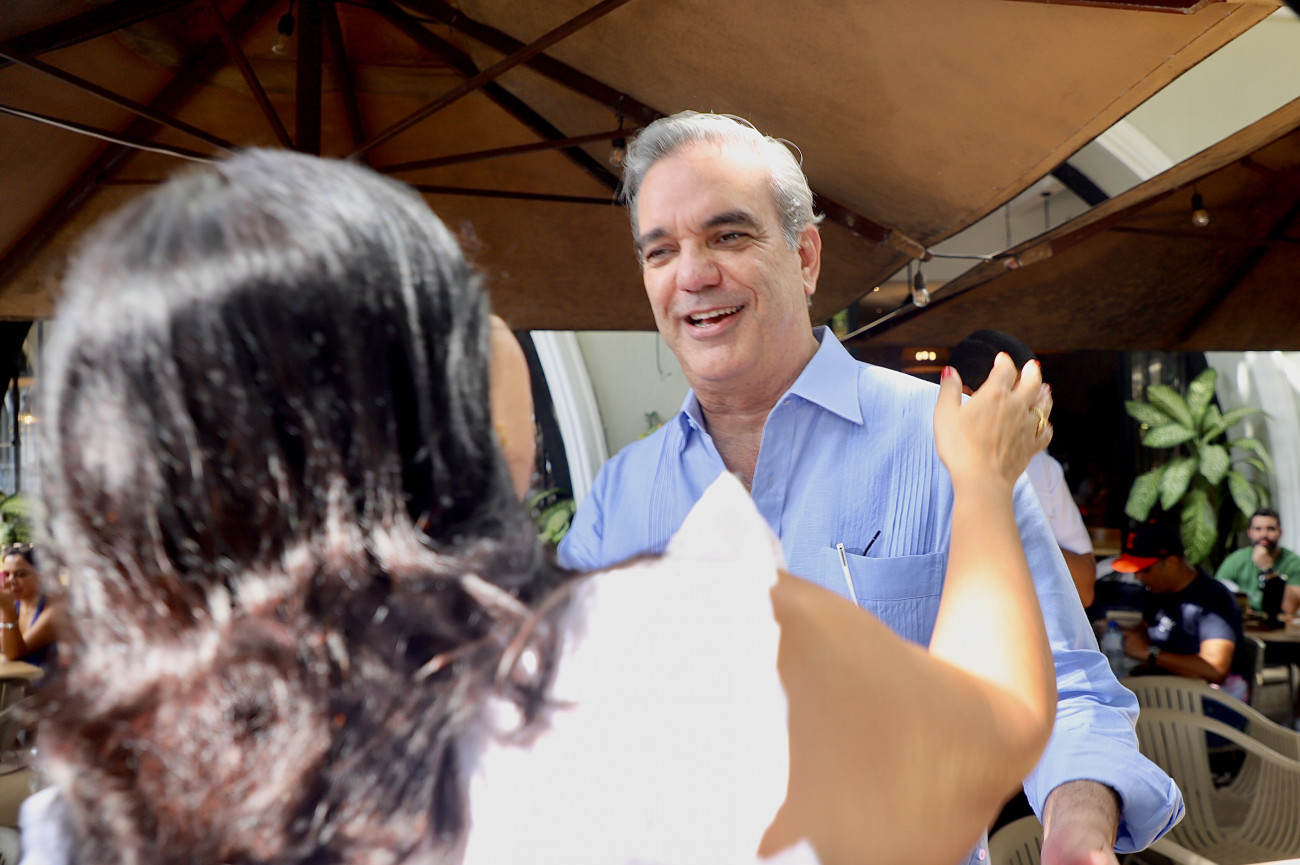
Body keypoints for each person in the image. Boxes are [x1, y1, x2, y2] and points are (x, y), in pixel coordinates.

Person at [20, 149, 1060, 865]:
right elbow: (988, 730)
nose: (690, 275)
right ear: (420, 398)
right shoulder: (656, 644)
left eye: (726, 235)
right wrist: (980, 480)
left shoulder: (101, 802)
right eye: (468, 299)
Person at [557, 111, 1183, 865]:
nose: (692, 275)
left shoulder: (950, 447)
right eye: (661, 250)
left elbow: (1068, 691)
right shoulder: (619, 496)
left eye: (728, 236)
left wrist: (1078, 828)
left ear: (805, 256)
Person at [949, 329, 1097, 607]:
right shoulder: (924, 469)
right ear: (966, 397)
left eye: (1033, 402)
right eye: (1016, 400)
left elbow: (1084, 587)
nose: (1031, 415)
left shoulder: (1042, 466)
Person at [1113, 521, 1248, 699]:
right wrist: (1120, 632)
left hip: (1205, 701)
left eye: (1144, 569)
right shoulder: (1157, 591)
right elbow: (1149, 631)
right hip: (1165, 691)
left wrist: (1149, 654)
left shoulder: (1213, 599)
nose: (1137, 576)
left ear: (1171, 562)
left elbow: (1215, 670)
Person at [1215, 507, 1300, 621]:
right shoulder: (1236, 559)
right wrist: (1239, 608)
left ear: (1280, 533)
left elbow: (1290, 608)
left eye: (1270, 529)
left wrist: (1268, 569)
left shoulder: (1293, 562)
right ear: (1250, 532)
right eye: (1258, 529)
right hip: (1244, 624)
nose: (1264, 534)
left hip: (1279, 625)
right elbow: (1215, 596)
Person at [0, 543, 64, 670]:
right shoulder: (16, 603)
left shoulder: (55, 609)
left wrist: (7, 611)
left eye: (20, 574)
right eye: (7, 574)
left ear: (41, 574)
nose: (11, 581)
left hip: (46, 681)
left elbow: (14, 653)